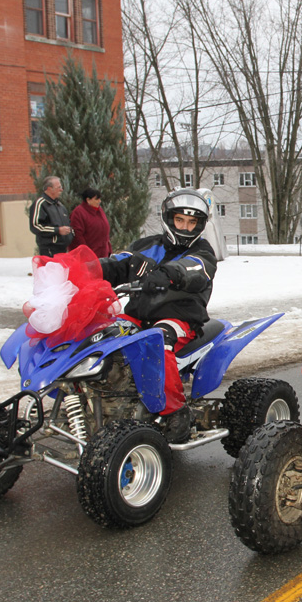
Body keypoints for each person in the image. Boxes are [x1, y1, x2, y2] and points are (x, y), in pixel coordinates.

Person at [98, 189, 217, 443]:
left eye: (192, 222)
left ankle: (175, 411)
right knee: (100, 336)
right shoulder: (147, 245)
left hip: (181, 318)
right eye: (180, 220)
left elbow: (195, 269)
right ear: (169, 218)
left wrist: (168, 274)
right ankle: (99, 396)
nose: (185, 227)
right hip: (139, 315)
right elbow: (122, 261)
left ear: (200, 225)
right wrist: (92, 268)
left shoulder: (204, 252)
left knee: (157, 340)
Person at [29, 176, 72, 256]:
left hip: (63, 249)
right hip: (49, 250)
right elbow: (35, 226)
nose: (61, 189)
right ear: (49, 189)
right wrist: (57, 230)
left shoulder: (59, 205)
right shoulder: (40, 204)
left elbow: (68, 223)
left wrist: (70, 233)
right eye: (58, 187)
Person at [69, 187, 112, 258]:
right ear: (88, 200)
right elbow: (77, 235)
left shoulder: (99, 211)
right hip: (89, 255)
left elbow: (105, 232)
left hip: (103, 253)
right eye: (96, 199)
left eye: (99, 199)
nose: (99, 201)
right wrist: (86, 252)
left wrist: (109, 248)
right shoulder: (78, 213)